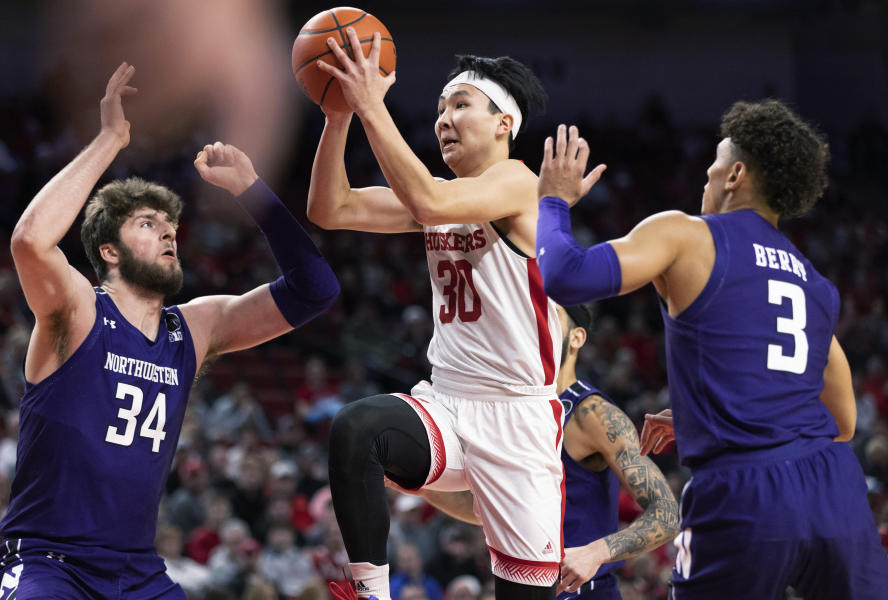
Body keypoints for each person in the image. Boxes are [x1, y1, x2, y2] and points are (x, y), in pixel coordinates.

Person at [0, 62, 339, 599]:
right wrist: (110, 140)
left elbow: (316, 289)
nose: (169, 232)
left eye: (171, 225)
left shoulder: (194, 329)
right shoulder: (78, 312)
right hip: (48, 563)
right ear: (109, 251)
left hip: (137, 573)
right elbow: (30, 242)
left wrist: (252, 191)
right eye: (147, 224)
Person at [534, 101, 888, 599]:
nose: (706, 176)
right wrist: (712, 414)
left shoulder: (687, 235)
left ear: (735, 174)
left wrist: (552, 202)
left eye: (713, 165)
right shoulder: (815, 283)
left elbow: (565, 276)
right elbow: (842, 422)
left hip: (745, 491)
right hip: (835, 490)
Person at [309, 29, 561, 600]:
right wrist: (339, 114)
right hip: (446, 402)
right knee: (357, 427)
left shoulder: (519, 182)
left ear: (505, 124)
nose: (444, 118)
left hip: (518, 421)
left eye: (460, 105)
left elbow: (429, 201)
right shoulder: (442, 195)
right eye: (440, 108)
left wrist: (373, 104)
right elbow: (330, 207)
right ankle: (370, 592)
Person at [394, 305, 679, 599]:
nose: (538, 321)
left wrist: (595, 553)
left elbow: (667, 514)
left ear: (577, 337)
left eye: (551, 313)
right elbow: (490, 512)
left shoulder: (592, 414)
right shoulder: (512, 410)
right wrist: (423, 489)